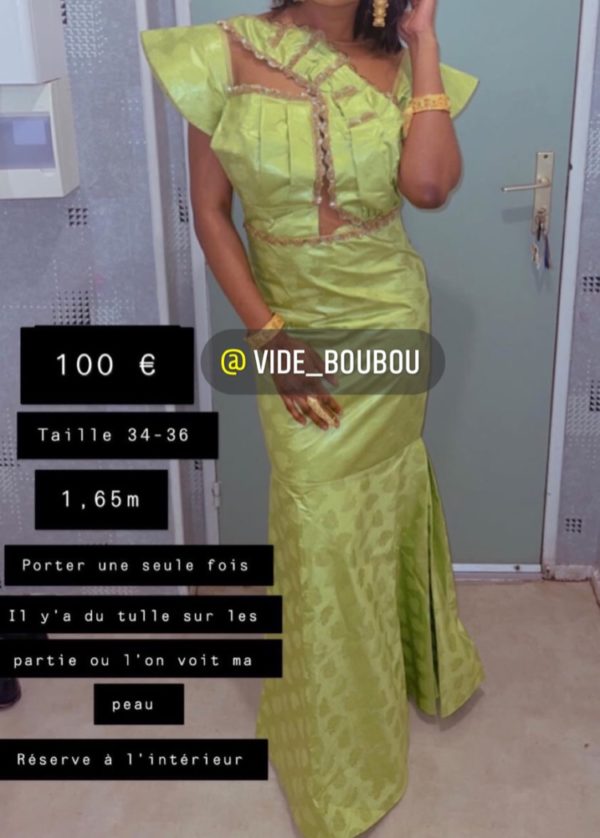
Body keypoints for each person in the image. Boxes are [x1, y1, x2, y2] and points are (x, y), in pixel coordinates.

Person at [141, 1, 485, 835]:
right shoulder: (220, 53)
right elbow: (211, 213)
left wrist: (424, 44)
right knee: (317, 525)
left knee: (380, 504)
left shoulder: (402, 66)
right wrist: (268, 337)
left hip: (388, 318)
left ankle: (407, 671)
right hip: (290, 328)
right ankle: (333, 753)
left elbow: (429, 188)